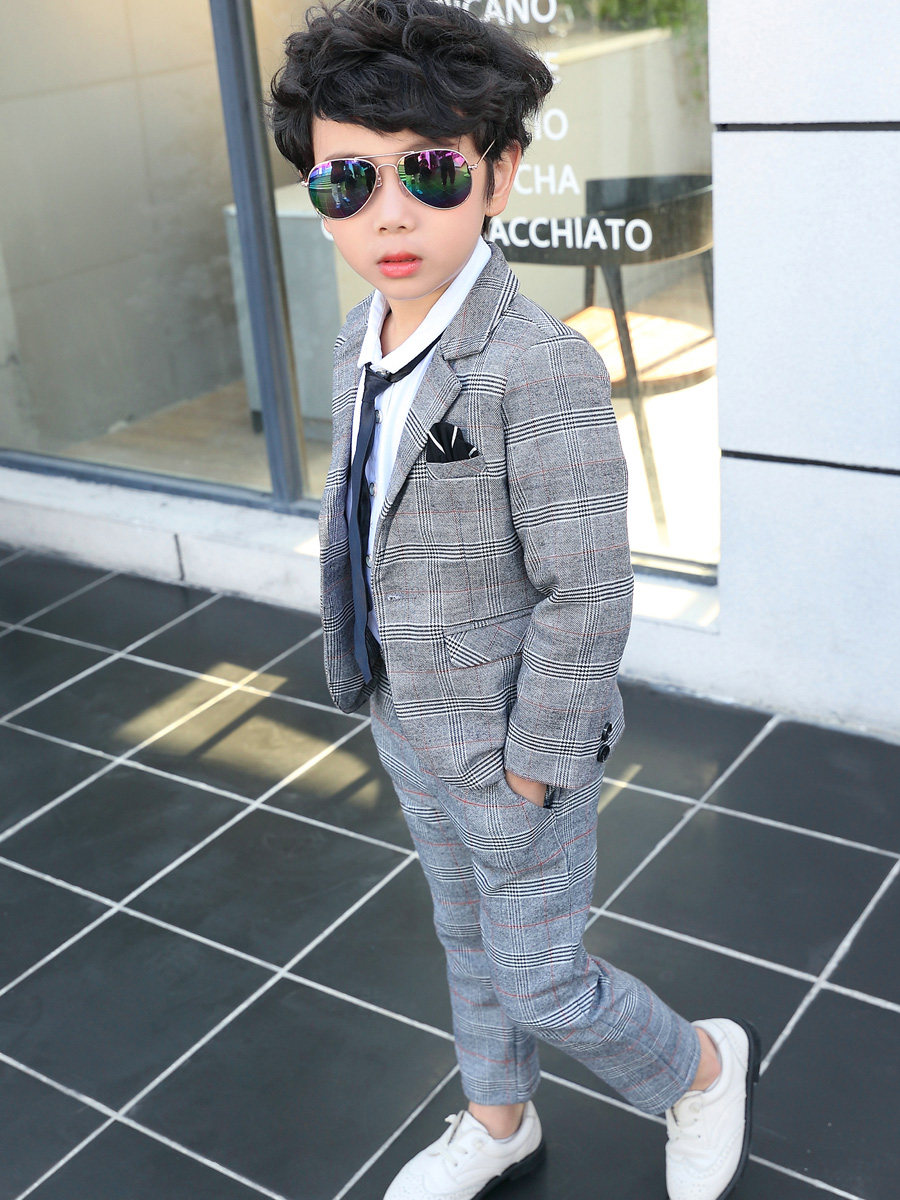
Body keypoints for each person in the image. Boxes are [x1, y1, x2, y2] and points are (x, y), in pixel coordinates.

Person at [267, 3, 760, 1198]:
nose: (390, 213)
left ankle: (698, 1068)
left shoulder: (540, 366)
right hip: (405, 714)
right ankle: (498, 1120)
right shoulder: (356, 339)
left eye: (430, 171)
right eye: (349, 181)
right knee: (466, 940)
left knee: (541, 974)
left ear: (499, 174)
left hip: (515, 746)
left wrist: (532, 771)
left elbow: (587, 590)